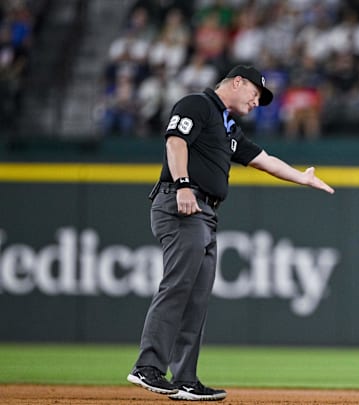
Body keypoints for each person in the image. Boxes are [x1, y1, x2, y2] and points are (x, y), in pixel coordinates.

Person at [127, 65, 334, 401]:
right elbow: (176, 141)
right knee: (178, 285)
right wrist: (182, 185)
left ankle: (184, 378)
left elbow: (262, 159)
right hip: (182, 205)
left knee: (196, 297)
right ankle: (147, 366)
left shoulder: (227, 126)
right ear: (237, 82)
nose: (256, 102)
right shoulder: (196, 104)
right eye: (255, 94)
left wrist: (302, 177)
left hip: (205, 213)